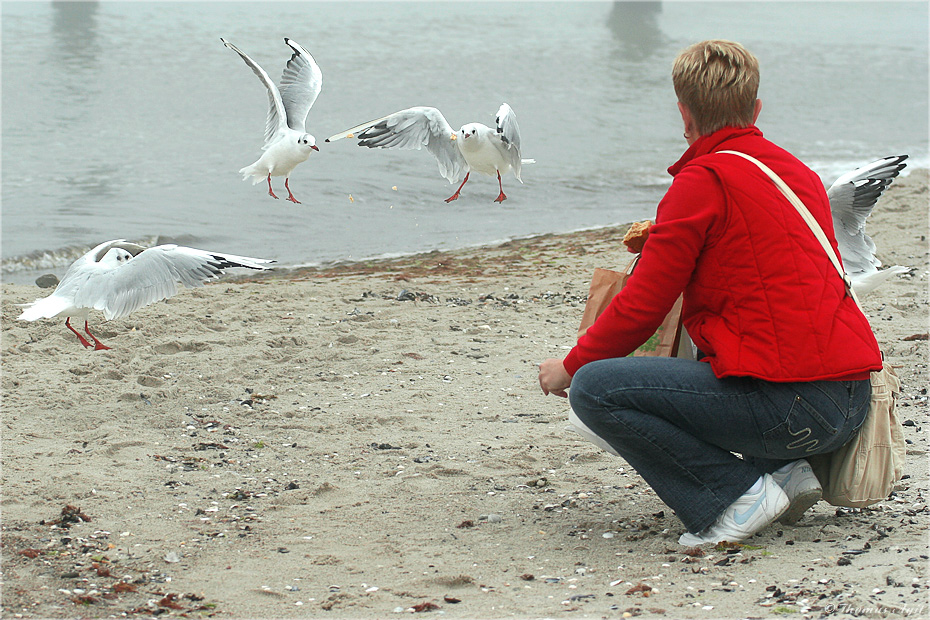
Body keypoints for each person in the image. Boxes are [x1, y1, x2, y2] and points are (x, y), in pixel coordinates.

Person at [537, 40, 882, 546]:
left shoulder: (703, 181)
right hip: (850, 401)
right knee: (748, 335)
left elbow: (643, 305)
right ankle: (786, 472)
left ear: (683, 113)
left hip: (793, 410)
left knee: (595, 389)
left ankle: (733, 497)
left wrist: (569, 365)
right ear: (756, 108)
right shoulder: (798, 174)